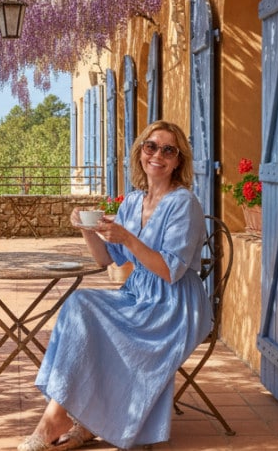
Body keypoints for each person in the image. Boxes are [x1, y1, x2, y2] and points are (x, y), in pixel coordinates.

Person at [18, 120, 214, 451]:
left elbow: (170, 271)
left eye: (169, 150)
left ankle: (58, 420)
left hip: (174, 305)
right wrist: (86, 228)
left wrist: (128, 238)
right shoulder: (133, 202)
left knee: (89, 313)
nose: (158, 155)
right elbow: (106, 261)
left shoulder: (184, 203)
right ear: (140, 153)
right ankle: (72, 417)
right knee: (80, 306)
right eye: (151, 147)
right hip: (138, 296)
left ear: (179, 161)